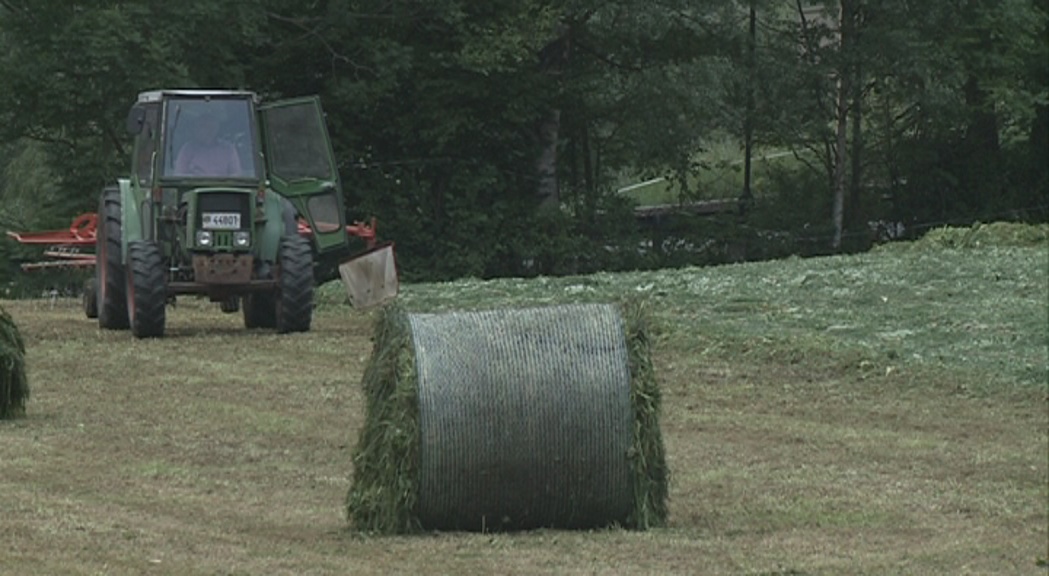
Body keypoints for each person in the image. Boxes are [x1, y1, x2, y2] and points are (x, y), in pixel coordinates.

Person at [173, 113, 243, 177]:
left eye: (210, 127)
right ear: (196, 129)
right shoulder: (187, 149)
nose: (207, 130)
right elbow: (179, 175)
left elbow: (236, 175)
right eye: (203, 127)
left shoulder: (228, 149)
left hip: (223, 189)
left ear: (216, 129)